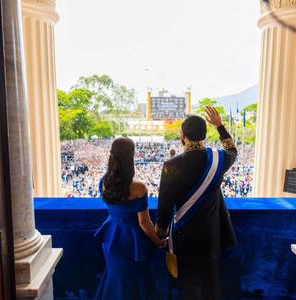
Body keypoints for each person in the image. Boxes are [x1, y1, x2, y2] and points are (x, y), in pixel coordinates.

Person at [156, 106, 238, 300]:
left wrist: (160, 234)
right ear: (204, 134)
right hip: (212, 235)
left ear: (182, 135)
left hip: (185, 237)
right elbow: (232, 149)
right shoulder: (219, 159)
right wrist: (220, 126)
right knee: (212, 285)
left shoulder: (171, 165)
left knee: (190, 286)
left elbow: (165, 206)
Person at [94, 137, 167, 300]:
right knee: (136, 281)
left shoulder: (104, 182)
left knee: (115, 278)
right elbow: (144, 223)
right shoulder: (138, 188)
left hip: (111, 236)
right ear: (131, 157)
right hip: (132, 241)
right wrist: (158, 241)